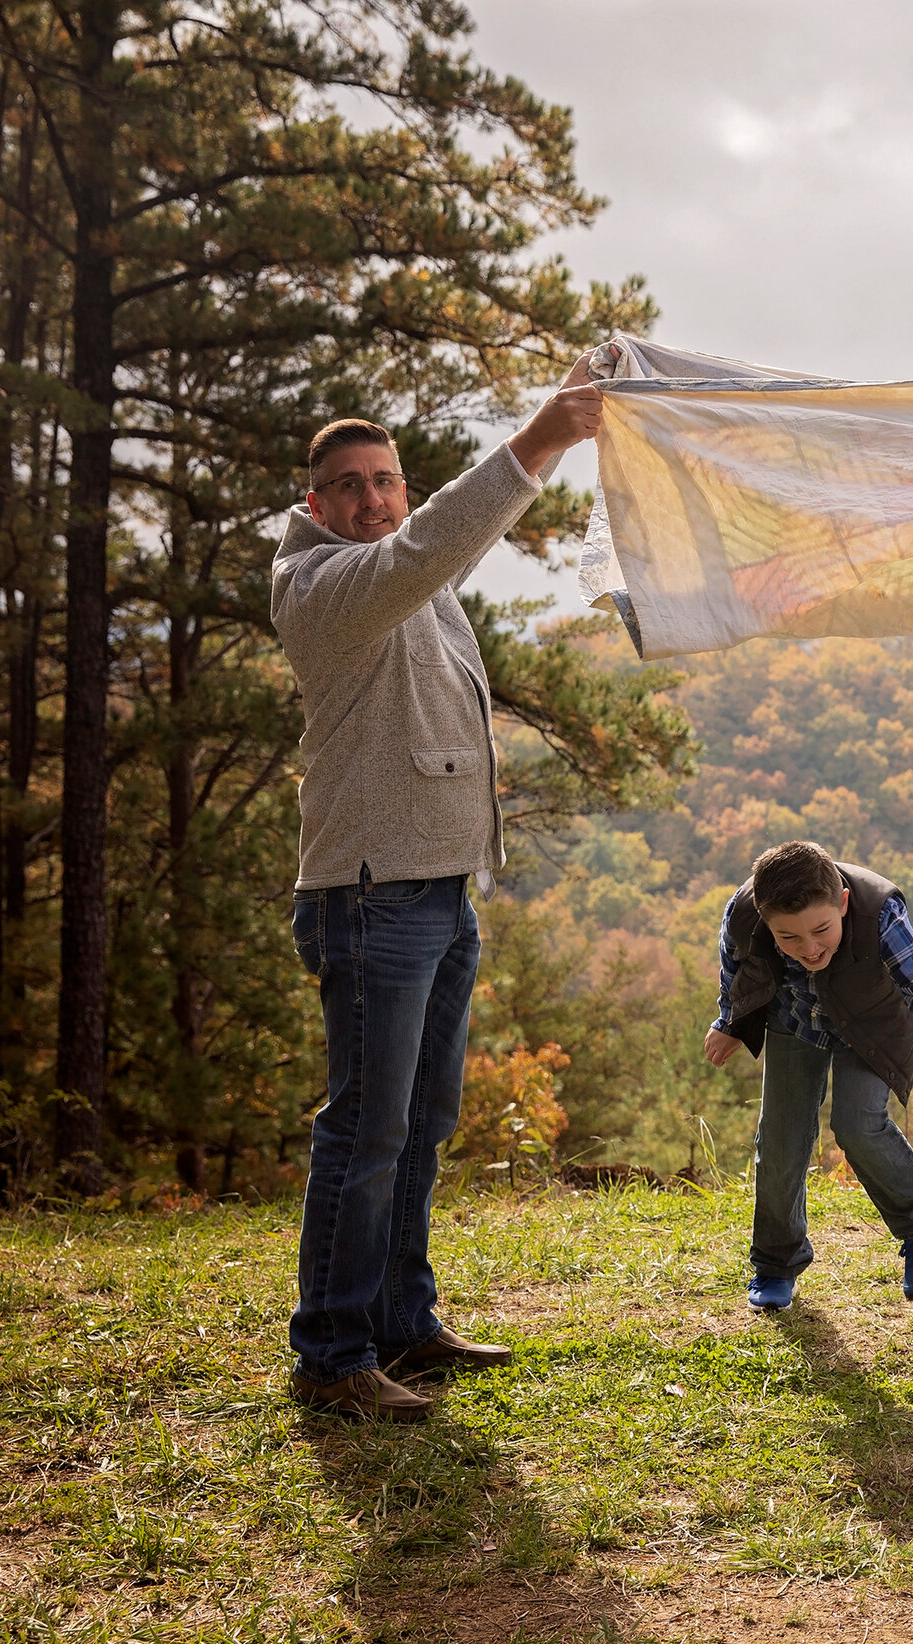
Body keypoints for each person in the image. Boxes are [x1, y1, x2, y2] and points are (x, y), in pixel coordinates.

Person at [272, 353, 607, 1421]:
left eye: (388, 480)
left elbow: (431, 557)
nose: (374, 499)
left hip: (438, 890)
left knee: (421, 1122)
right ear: (312, 502)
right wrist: (541, 438)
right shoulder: (322, 587)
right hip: (371, 896)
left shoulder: (410, 585)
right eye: (351, 486)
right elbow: (430, 548)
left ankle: (402, 1324)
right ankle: (331, 1356)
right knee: (367, 1128)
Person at [706, 840, 913, 1311]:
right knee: (781, 1140)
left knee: (856, 1124)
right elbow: (735, 968)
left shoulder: (878, 910)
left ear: (843, 903)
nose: (808, 948)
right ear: (767, 920)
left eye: (821, 930)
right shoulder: (744, 912)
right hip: (795, 1022)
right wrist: (730, 1021)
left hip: (874, 1022)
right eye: (788, 938)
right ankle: (775, 1260)